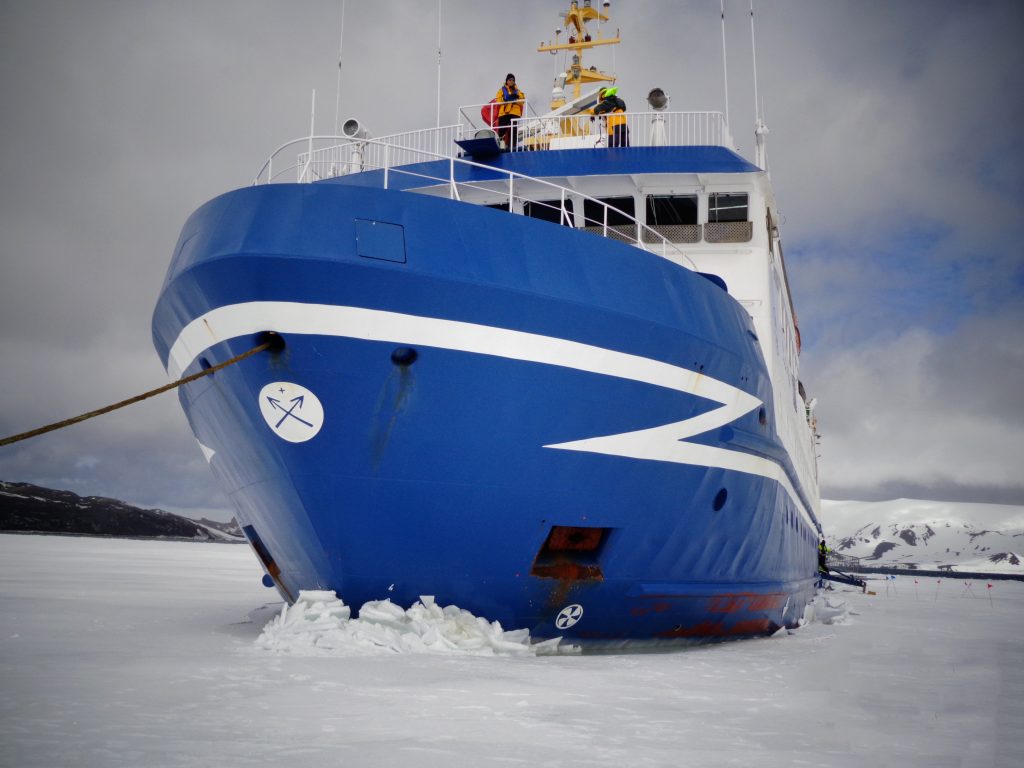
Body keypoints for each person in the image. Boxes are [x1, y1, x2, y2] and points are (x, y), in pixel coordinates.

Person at [494, 74, 526, 150]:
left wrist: (515, 99)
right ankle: (501, 147)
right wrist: (505, 100)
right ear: (507, 81)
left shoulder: (518, 92)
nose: (511, 81)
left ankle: (513, 147)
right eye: (510, 80)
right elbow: (498, 100)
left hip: (515, 113)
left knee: (514, 130)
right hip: (504, 113)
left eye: (513, 80)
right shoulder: (501, 90)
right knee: (501, 131)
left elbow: (523, 101)